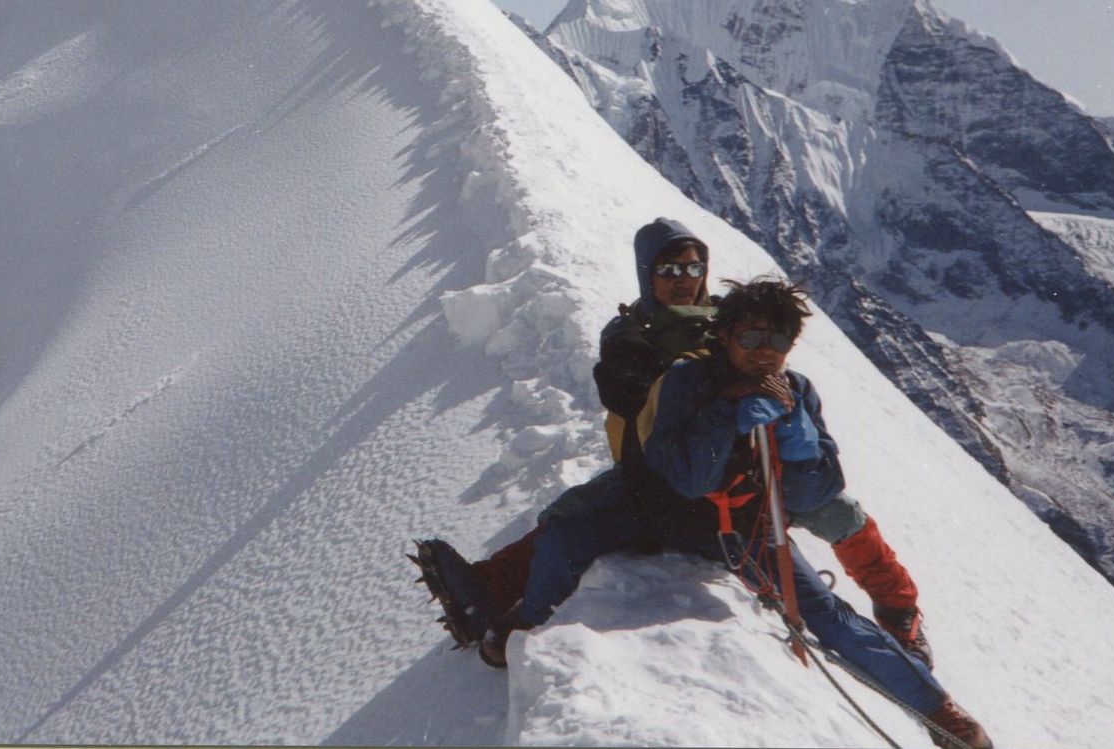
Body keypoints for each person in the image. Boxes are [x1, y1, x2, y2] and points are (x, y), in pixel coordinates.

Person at [487, 278, 991, 749]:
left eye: (779, 337)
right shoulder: (687, 380)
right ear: (725, 335)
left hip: (744, 526)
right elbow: (688, 477)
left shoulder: (795, 390)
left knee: (826, 615)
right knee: (564, 536)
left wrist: (796, 437)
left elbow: (819, 489)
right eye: (751, 336)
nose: (764, 350)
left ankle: (937, 709)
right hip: (656, 509)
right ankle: (526, 620)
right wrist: (729, 411)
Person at [418, 220, 930, 665]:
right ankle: (494, 592)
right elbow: (633, 398)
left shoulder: (725, 319)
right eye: (670, 270)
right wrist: (717, 392)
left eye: (692, 270)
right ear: (648, 273)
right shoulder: (630, 335)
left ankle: (898, 608)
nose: (683, 281)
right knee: (579, 513)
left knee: (840, 511)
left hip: (752, 465)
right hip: (665, 467)